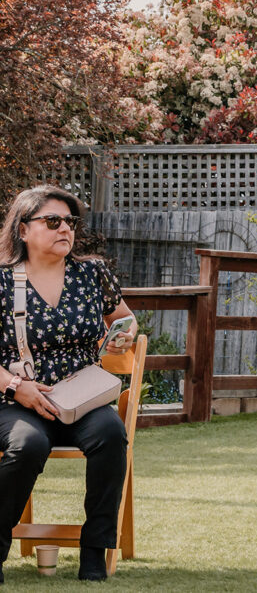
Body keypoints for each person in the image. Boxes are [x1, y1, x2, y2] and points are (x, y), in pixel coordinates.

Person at [0, 185, 137, 582]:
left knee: (111, 435)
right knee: (29, 445)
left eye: (70, 222)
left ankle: (94, 553)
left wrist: (123, 336)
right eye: (53, 221)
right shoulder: (3, 282)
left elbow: (125, 320)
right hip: (18, 401)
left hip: (83, 399)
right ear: (23, 230)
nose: (65, 229)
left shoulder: (92, 273)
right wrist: (14, 387)